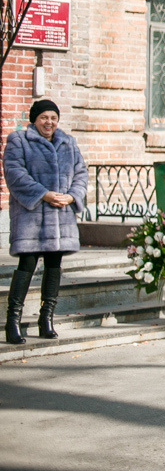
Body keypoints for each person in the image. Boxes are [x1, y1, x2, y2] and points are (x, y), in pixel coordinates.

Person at [3, 99, 88, 345]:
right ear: (34, 119)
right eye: (44, 118)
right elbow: (14, 173)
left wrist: (72, 195)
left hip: (61, 217)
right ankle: (13, 321)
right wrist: (44, 194)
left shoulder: (68, 142)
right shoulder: (19, 141)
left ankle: (46, 319)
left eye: (53, 118)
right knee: (27, 264)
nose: (49, 122)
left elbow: (81, 172)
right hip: (32, 216)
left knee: (54, 266)